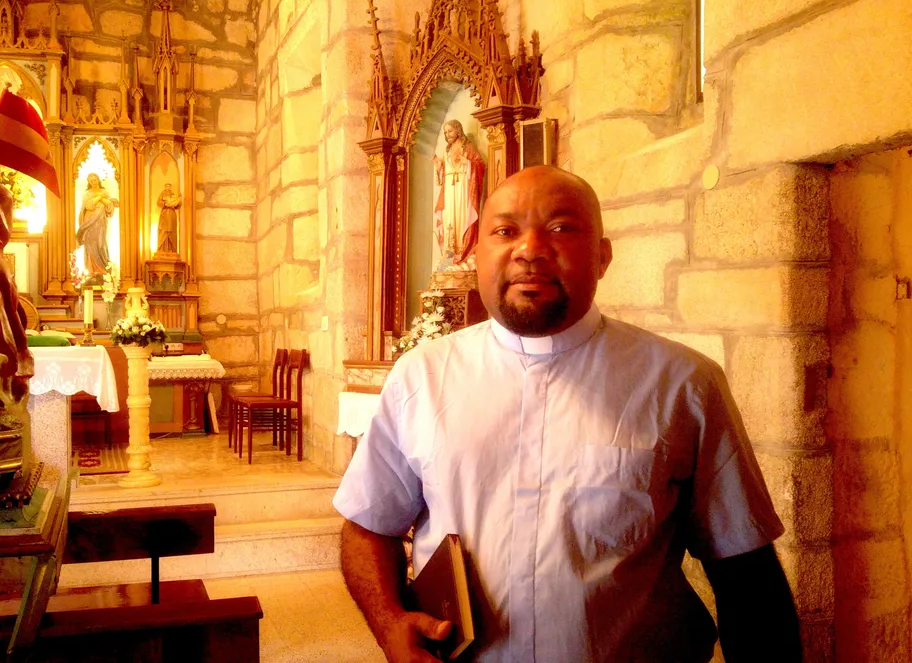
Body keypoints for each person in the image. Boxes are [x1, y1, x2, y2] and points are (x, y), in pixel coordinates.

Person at [334, 166, 802, 663]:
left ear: (602, 257)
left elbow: (745, 570)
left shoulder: (682, 383)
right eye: (505, 230)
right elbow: (368, 524)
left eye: (560, 227)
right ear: (475, 254)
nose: (529, 249)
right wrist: (389, 622)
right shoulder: (421, 376)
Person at [432, 119, 484, 270]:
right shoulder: (447, 151)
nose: (447, 134)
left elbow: (480, 165)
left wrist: (467, 163)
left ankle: (463, 252)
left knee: (462, 217)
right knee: (449, 217)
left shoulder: (468, 147)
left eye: (450, 131)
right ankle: (450, 252)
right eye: (445, 132)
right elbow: (441, 178)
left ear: (458, 130)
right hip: (449, 189)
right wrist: (438, 168)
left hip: (463, 188)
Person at [76, 173, 118, 277]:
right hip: (90, 221)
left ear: (98, 179)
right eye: (91, 181)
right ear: (89, 183)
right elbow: (88, 206)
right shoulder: (87, 193)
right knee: (90, 244)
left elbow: (109, 205)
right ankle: (91, 271)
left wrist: (100, 198)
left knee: (100, 244)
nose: (93, 183)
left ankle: (103, 270)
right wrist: (99, 197)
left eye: (94, 180)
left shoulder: (104, 192)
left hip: (101, 221)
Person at [156, 182, 181, 255]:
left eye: (169, 186)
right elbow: (158, 203)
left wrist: (179, 200)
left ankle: (172, 249)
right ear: (165, 187)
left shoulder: (173, 195)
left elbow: (177, 206)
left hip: (172, 214)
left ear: (170, 187)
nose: (168, 187)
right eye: (166, 186)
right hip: (164, 214)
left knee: (171, 231)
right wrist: (165, 204)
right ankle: (162, 249)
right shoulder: (162, 194)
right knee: (164, 230)